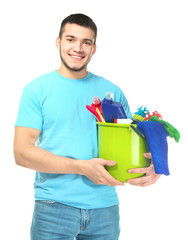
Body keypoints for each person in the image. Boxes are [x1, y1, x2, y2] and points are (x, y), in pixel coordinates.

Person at [14, 13, 160, 240]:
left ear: (94, 48)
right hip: (53, 207)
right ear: (58, 42)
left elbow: (131, 143)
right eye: (71, 39)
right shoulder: (37, 90)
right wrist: (81, 167)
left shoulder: (112, 91)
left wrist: (154, 165)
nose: (78, 48)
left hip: (105, 209)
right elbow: (22, 153)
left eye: (86, 42)